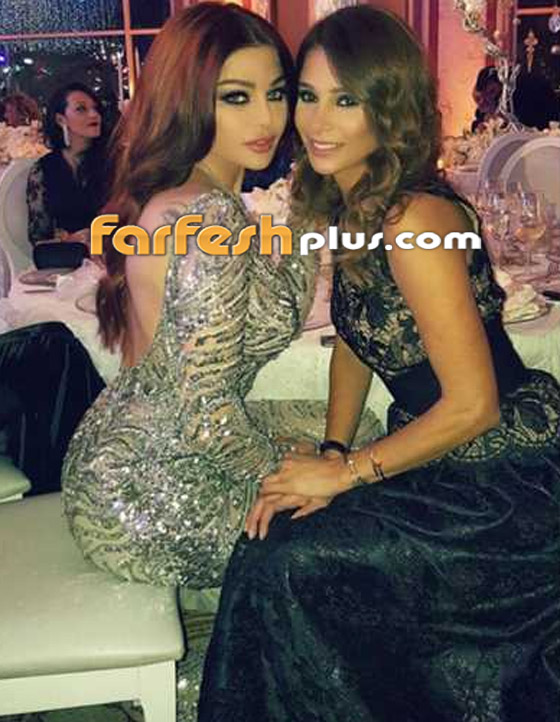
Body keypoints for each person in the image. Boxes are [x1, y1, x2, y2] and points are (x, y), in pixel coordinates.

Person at [198, 7, 560, 721]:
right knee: (277, 539)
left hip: (501, 480)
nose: (317, 120)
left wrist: (346, 474)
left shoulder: (413, 219)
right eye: (308, 95)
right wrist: (334, 447)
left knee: (287, 562)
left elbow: (475, 405)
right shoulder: (356, 202)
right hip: (440, 459)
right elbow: (354, 342)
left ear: (387, 107)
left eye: (346, 99)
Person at [61, 4, 380, 719]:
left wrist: (309, 202)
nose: (266, 117)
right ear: (189, 99)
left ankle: (239, 629)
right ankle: (208, 686)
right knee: (364, 509)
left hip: (135, 450)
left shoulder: (195, 195)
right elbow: (205, 413)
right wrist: (293, 472)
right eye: (236, 97)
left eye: (277, 92)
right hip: (151, 491)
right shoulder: (206, 217)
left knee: (352, 441)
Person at [26, 82, 108, 247]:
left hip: (116, 250)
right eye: (81, 109)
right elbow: (38, 235)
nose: (94, 115)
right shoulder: (44, 168)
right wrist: (67, 239)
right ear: (60, 119)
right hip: (69, 254)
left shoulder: (115, 160)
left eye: (96, 108)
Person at [471, 66, 503, 133]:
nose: (488, 97)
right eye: (484, 92)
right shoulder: (482, 113)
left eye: (492, 91)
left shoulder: (510, 108)